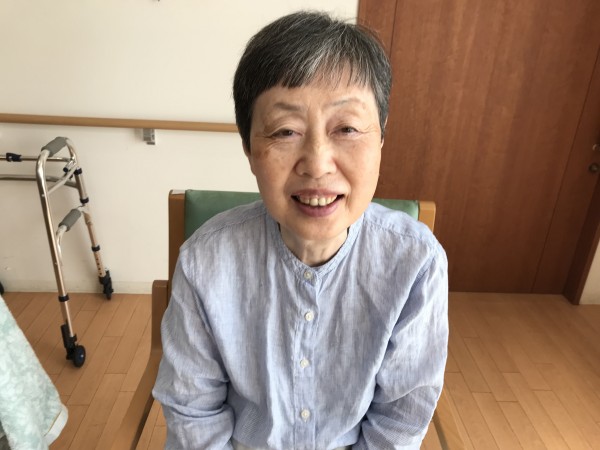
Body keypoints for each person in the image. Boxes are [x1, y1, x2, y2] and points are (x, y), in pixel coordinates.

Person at [153, 10, 448, 450]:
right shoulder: (205, 261)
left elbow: (400, 419)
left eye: (347, 128)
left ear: (381, 139)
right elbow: (193, 411)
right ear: (249, 148)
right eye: (285, 131)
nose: (317, 164)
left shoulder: (416, 262)